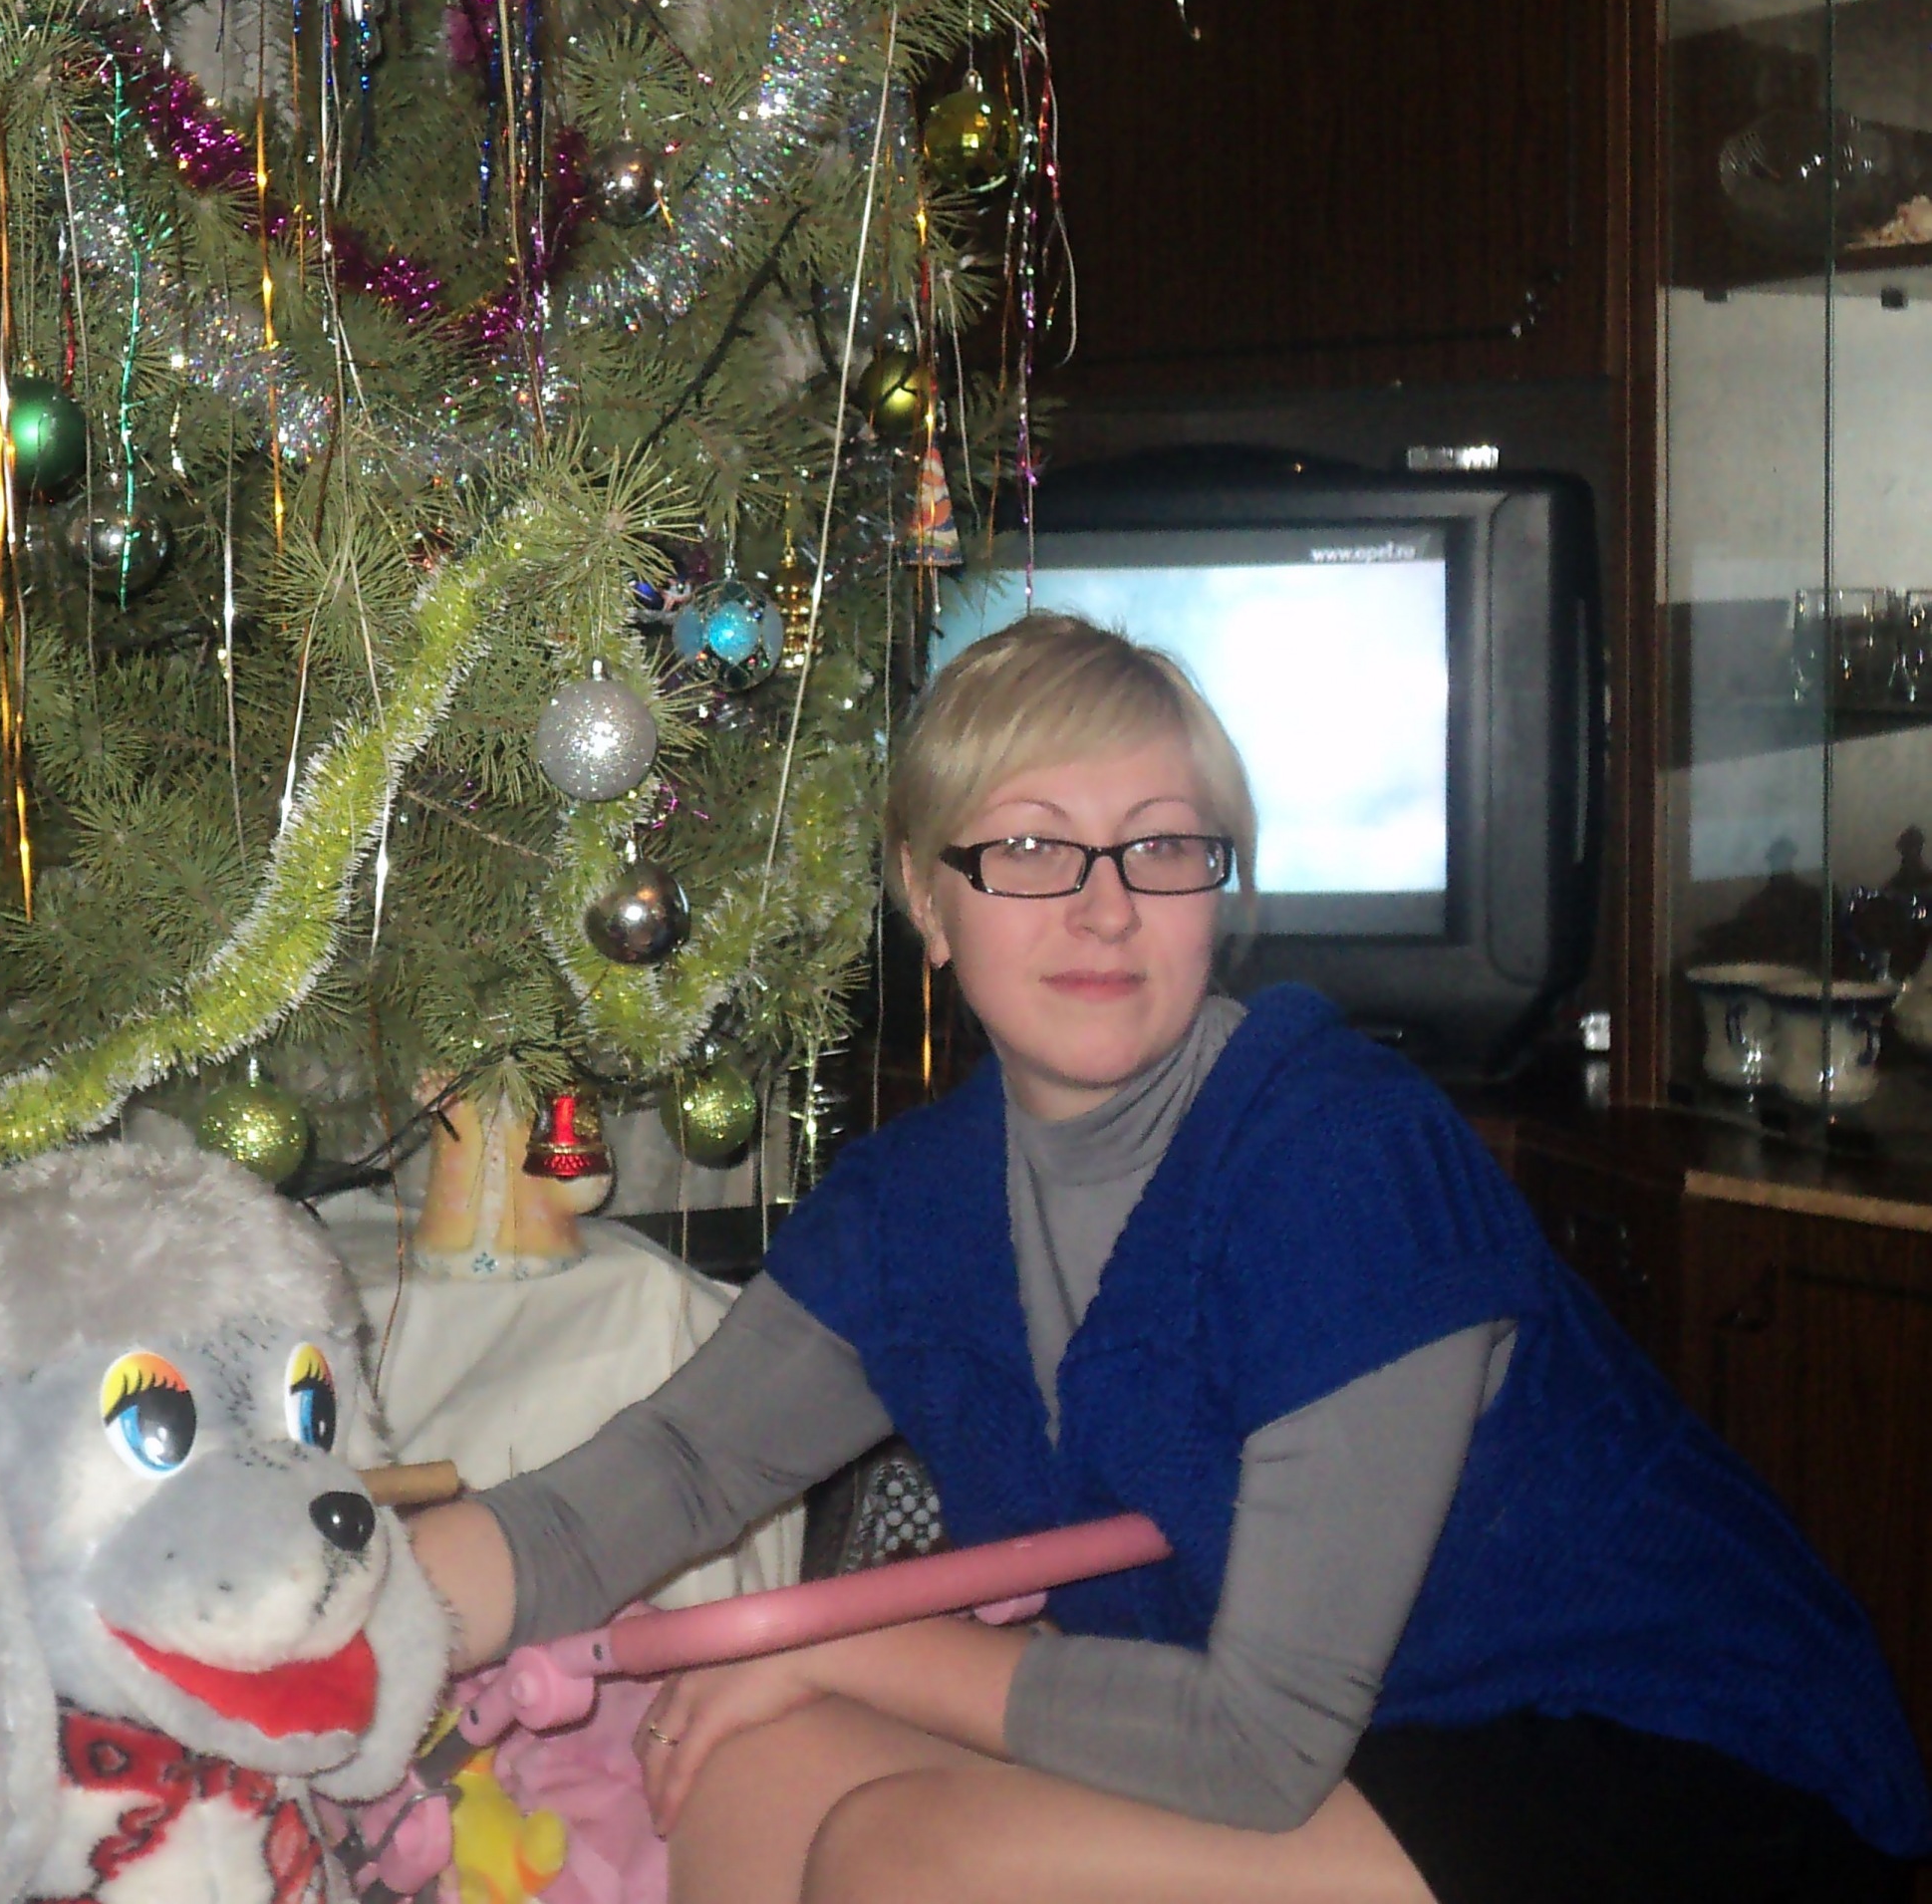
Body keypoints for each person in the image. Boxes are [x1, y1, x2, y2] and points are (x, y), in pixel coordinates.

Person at [409, 612, 1932, 1904]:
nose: (1101, 907)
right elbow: (670, 1469)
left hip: (1653, 1763)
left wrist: (839, 1642)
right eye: (1027, 847)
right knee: (753, 1764)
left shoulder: (1337, 1157)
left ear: (1221, 889)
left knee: (913, 1855)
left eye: (1159, 847)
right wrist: (363, 1625)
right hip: (1351, 1748)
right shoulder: (911, 1205)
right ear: (927, 898)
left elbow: (1254, 1745)